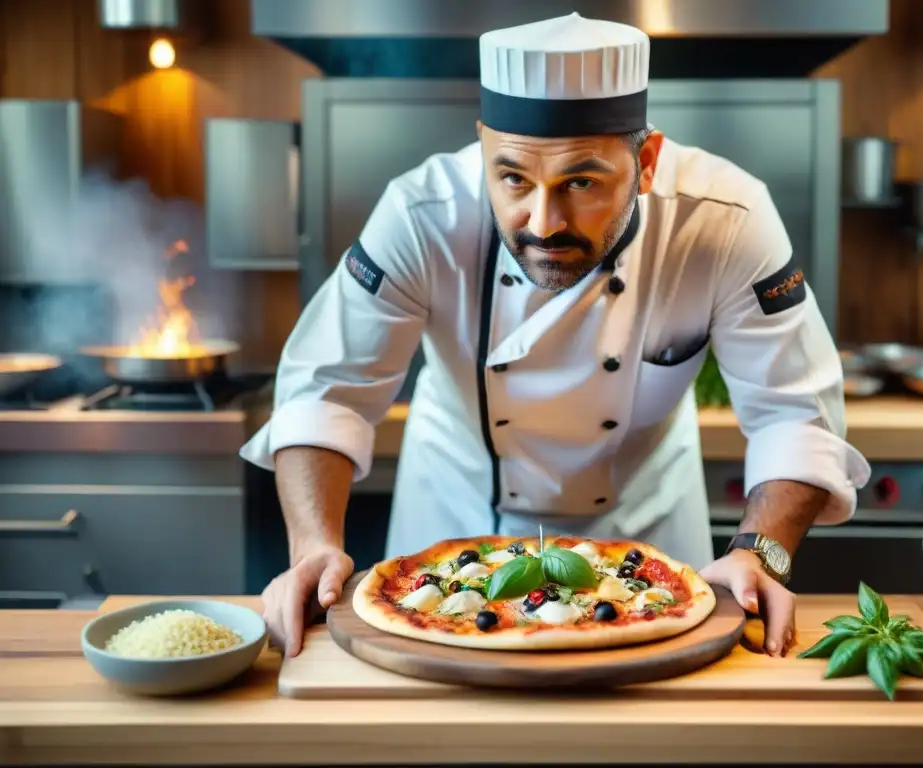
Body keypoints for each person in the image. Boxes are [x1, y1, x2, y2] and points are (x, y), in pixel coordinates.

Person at [240, 12, 871, 660]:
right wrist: (313, 544)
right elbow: (329, 392)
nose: (543, 222)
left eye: (581, 182)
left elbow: (795, 413)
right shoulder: (422, 213)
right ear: (483, 146)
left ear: (646, 161)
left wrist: (760, 554)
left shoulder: (724, 221)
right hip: (452, 529)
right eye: (513, 178)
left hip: (650, 535)